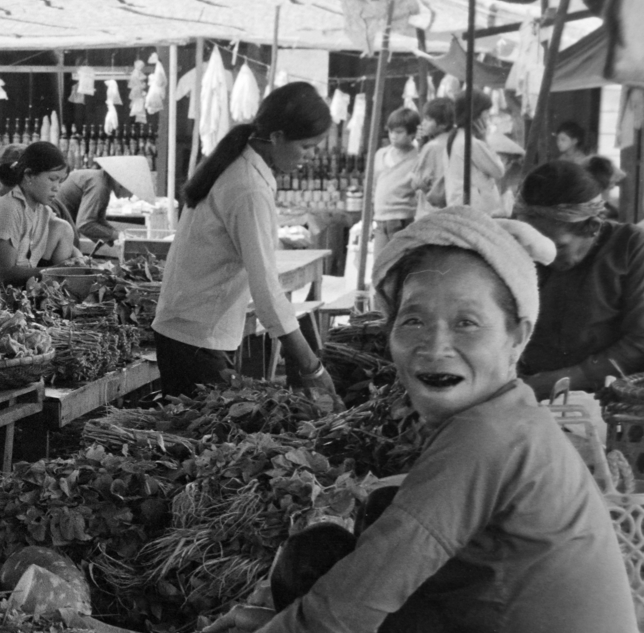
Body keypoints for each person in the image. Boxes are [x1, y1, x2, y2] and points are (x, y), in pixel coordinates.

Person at [204, 207, 644, 633]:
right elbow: (394, 546)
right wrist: (262, 620)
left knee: (318, 572)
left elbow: (341, 615)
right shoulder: (508, 420)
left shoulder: (487, 437)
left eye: (466, 323)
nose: (434, 345)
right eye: (413, 320)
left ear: (518, 336)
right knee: (362, 534)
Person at [152, 82, 338, 406]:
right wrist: (312, 367)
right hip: (196, 338)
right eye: (306, 147)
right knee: (198, 432)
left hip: (189, 330)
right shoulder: (248, 187)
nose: (310, 156)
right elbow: (267, 294)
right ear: (277, 137)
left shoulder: (239, 165)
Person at [514, 160, 644, 396]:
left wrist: (550, 384)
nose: (542, 258)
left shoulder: (632, 245)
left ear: (593, 227)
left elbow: (643, 343)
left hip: (606, 396)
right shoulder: (521, 250)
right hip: (524, 386)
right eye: (532, 246)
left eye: (557, 247)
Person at [0, 141, 82, 290]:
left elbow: (63, 233)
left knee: (63, 227)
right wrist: (59, 271)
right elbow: (6, 276)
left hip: (9, 296)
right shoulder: (7, 208)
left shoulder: (41, 210)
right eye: (52, 179)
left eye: (61, 181)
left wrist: (78, 260)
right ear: (29, 175)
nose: (57, 188)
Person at [51, 155, 154, 249]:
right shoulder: (100, 187)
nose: (129, 196)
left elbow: (98, 220)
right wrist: (117, 235)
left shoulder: (102, 182)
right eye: (131, 191)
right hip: (57, 219)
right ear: (121, 183)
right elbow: (84, 225)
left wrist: (119, 235)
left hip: (63, 220)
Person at [443, 91, 505, 216]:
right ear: (477, 114)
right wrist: (484, 139)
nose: (488, 116)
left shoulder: (455, 138)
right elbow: (499, 171)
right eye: (486, 112)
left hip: (461, 207)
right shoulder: (471, 143)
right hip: (477, 211)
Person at [372, 107, 420, 243]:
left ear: (412, 134)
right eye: (390, 131)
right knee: (380, 257)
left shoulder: (418, 158)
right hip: (380, 220)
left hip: (403, 220)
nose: (393, 136)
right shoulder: (381, 154)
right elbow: (374, 186)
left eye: (399, 132)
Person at [410, 97, 456, 216]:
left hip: (430, 211)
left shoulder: (432, 147)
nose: (423, 123)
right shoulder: (457, 141)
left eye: (428, 119)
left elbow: (416, 182)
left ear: (444, 124)